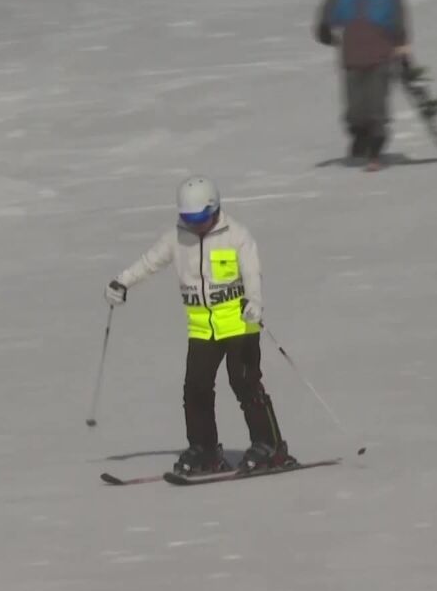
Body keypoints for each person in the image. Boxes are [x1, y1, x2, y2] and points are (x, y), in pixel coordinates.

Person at [103, 176, 297, 476]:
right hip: (202, 328)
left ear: (215, 208)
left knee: (244, 383)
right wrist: (122, 281)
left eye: (201, 218)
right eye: (188, 218)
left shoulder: (236, 235)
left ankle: (270, 447)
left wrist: (255, 301)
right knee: (196, 389)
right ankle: (204, 450)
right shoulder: (177, 237)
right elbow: (149, 262)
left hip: (239, 324)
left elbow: (252, 272)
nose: (195, 225)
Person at [314, 0, 410, 171]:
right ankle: (360, 135)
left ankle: (375, 151)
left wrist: (402, 48)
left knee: (376, 106)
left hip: (381, 57)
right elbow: (328, 13)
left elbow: (398, 20)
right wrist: (324, 29)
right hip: (352, 58)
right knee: (355, 109)